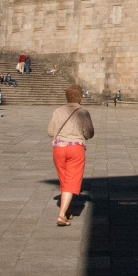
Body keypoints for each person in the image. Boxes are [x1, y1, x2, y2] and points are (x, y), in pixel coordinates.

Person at [47, 85, 95, 226]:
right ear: (79, 97)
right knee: (72, 179)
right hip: (75, 148)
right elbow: (89, 133)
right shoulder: (83, 112)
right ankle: (61, 215)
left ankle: (67, 209)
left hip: (59, 149)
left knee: (64, 179)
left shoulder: (58, 111)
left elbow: (50, 131)